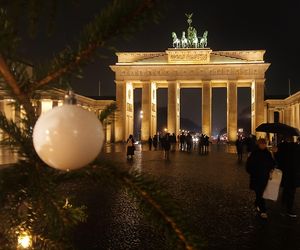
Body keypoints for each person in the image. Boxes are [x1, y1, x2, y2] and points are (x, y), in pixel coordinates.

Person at [246, 138, 276, 219]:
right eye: (262, 143)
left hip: (264, 178)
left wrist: (275, 154)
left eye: (264, 143)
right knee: (260, 194)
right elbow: (248, 166)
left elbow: (273, 164)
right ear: (258, 144)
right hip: (256, 178)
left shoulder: (268, 153)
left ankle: (257, 203)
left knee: (260, 194)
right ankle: (263, 210)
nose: (263, 145)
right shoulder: (254, 153)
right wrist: (253, 172)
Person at [275, 138, 300, 218]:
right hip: (293, 174)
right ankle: (289, 210)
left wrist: (275, 153)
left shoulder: (281, 147)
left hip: (285, 174)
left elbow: (277, 160)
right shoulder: (297, 148)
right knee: (291, 192)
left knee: (286, 191)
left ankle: (282, 208)